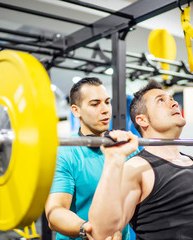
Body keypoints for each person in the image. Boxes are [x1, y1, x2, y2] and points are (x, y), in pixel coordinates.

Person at [88, 80, 193, 240]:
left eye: (172, 100)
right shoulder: (137, 168)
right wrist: (114, 160)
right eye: (161, 101)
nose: (174, 104)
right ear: (142, 120)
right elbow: (101, 232)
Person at [45, 77, 131, 240]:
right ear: (76, 111)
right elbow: (55, 212)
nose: (105, 109)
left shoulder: (124, 149)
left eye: (107, 102)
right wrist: (88, 230)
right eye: (95, 104)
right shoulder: (66, 153)